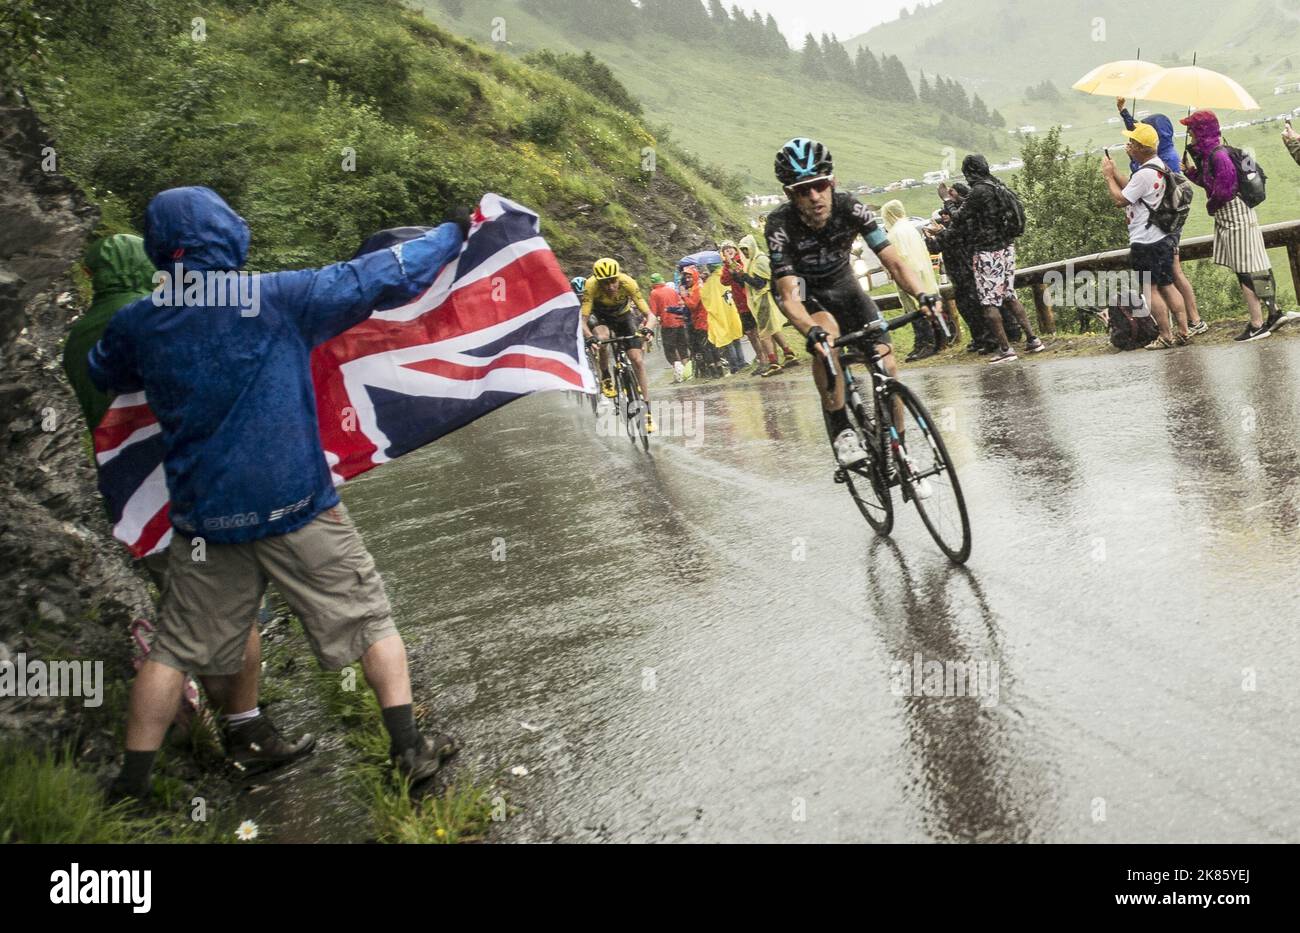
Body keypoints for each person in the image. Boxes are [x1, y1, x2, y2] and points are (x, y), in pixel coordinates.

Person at [89, 187, 464, 800]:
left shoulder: (139, 322)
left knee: (174, 649)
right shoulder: (277, 297)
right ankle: (408, 749)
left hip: (205, 521)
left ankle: (131, 785)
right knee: (371, 621)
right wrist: (454, 231)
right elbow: (380, 274)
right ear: (225, 233)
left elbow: (106, 369)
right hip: (299, 507)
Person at [63, 233, 308, 777]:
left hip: (130, 496)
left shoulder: (77, 337)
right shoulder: (150, 318)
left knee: (189, 608)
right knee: (232, 610)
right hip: (188, 485)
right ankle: (243, 728)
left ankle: (212, 729)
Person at [764, 137, 940, 473]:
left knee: (888, 369)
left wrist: (923, 295)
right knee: (825, 339)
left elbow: (896, 263)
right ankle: (841, 427)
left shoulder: (850, 208)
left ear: (832, 183)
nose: (814, 196)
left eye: (819, 185)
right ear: (790, 194)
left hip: (844, 284)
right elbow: (788, 295)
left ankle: (898, 451)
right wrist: (810, 331)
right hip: (804, 290)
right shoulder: (779, 226)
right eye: (803, 190)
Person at [1182, 109, 1297, 340]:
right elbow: (1210, 182)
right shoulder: (1215, 153)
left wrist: (1211, 206)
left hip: (1233, 216)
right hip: (1242, 213)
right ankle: (1273, 312)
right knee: (1257, 264)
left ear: (1200, 131)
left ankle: (1257, 324)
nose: (1189, 134)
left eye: (1192, 129)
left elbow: (1224, 190)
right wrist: (1192, 172)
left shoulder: (1217, 156)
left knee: (1245, 270)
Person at [929, 154, 1044, 364]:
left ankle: (1005, 349)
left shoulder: (980, 190)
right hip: (1006, 247)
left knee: (988, 301)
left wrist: (947, 200)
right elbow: (978, 209)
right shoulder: (995, 185)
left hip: (987, 252)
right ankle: (1033, 339)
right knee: (1009, 295)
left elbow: (959, 216)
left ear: (969, 172)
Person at [1116, 98, 1207, 336]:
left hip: (1163, 226)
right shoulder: (1160, 151)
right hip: (1159, 224)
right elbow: (1142, 132)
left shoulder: (1166, 160)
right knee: (1168, 277)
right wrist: (1124, 113)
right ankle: (1187, 324)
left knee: (1171, 275)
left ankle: (1193, 320)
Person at [1101, 122, 1191, 349]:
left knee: (1149, 289)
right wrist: (1117, 173)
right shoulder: (1157, 166)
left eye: (1132, 143)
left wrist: (1108, 177)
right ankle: (1183, 330)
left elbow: (1121, 199)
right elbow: (1133, 188)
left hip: (1145, 239)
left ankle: (1165, 335)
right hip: (1162, 238)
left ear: (1141, 147)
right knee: (1168, 285)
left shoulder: (1144, 174)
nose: (1128, 146)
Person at [581, 257, 657, 430]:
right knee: (602, 337)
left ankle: (647, 411)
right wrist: (589, 337)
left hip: (623, 316)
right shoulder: (591, 286)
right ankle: (606, 376)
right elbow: (583, 320)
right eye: (605, 283)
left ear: (618, 277)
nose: (610, 286)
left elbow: (650, 315)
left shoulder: (628, 282)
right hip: (599, 316)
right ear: (598, 282)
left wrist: (648, 329)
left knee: (637, 360)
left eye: (613, 281)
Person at [931, 185, 993, 353]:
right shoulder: (955, 223)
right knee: (966, 307)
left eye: (947, 212)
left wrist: (938, 234)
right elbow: (939, 245)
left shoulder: (965, 220)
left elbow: (949, 239)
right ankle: (979, 338)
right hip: (958, 272)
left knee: (976, 306)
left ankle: (989, 338)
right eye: (943, 213)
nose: (945, 215)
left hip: (967, 269)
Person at [881, 200, 942, 361]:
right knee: (924, 308)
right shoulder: (909, 227)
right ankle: (928, 342)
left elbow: (899, 259)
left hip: (909, 276)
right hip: (922, 273)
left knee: (915, 311)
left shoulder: (895, 233)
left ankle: (925, 343)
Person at [734, 234, 799, 376]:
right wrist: (740, 276)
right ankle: (789, 354)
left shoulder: (760, 260)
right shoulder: (751, 261)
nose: (745, 252)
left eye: (746, 249)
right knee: (773, 330)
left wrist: (744, 276)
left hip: (764, 300)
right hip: (759, 301)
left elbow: (760, 283)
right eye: (742, 250)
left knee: (764, 334)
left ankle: (773, 363)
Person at [719, 240, 764, 374]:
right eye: (725, 250)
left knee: (759, 331)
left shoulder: (743, 260)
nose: (728, 251)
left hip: (750, 299)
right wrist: (727, 264)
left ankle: (767, 357)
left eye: (730, 248)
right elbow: (724, 281)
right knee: (750, 333)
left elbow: (742, 274)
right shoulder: (727, 265)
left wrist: (732, 263)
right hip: (740, 304)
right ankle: (761, 358)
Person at [648, 272, 689, 382]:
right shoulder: (671, 290)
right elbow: (679, 303)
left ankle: (679, 375)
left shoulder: (654, 293)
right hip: (680, 321)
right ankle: (688, 373)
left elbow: (653, 311)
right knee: (682, 348)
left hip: (667, 324)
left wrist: (650, 323)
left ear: (652, 283)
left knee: (670, 350)